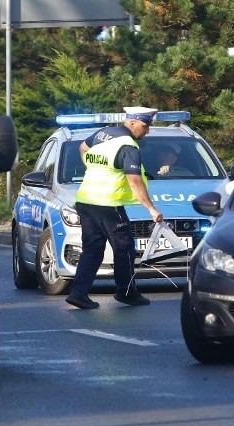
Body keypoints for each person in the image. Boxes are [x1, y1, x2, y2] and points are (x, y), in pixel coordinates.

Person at [65, 106, 164, 309]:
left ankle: (78, 293)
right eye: (145, 126)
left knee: (92, 249)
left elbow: (83, 148)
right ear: (132, 122)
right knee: (125, 249)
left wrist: (92, 167)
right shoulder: (128, 147)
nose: (147, 131)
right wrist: (151, 209)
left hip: (86, 201)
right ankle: (126, 292)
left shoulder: (104, 134)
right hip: (108, 204)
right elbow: (135, 181)